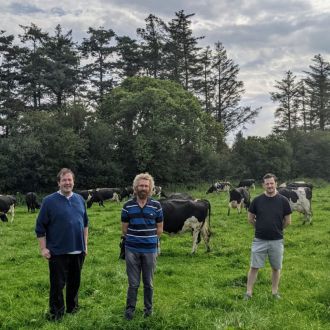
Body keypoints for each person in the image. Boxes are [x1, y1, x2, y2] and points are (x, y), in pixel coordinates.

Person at [35, 168, 89, 320]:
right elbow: (40, 227)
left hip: (78, 251)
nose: (67, 183)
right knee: (57, 285)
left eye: (69, 180)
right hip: (57, 252)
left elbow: (85, 224)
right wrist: (43, 248)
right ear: (58, 183)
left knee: (75, 282)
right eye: (64, 180)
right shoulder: (49, 201)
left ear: (73, 182)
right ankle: (56, 313)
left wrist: (85, 245)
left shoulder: (79, 199)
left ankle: (73, 309)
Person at [121, 173, 163, 320]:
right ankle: (130, 310)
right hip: (132, 249)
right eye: (141, 185)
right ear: (135, 187)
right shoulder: (127, 206)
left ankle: (148, 310)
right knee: (133, 283)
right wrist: (135, 240)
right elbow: (124, 229)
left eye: (146, 186)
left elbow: (159, 229)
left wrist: (150, 241)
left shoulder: (156, 206)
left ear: (150, 188)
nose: (143, 188)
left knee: (148, 283)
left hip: (150, 250)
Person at [245, 173, 291, 300]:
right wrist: (259, 227)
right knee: (254, 266)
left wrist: (277, 229)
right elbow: (250, 218)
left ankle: (274, 292)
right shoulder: (257, 200)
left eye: (272, 183)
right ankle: (248, 292)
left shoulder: (283, 201)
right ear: (263, 185)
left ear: (276, 184)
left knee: (276, 267)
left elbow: (288, 221)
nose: (270, 186)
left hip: (277, 240)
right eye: (267, 184)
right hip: (259, 240)